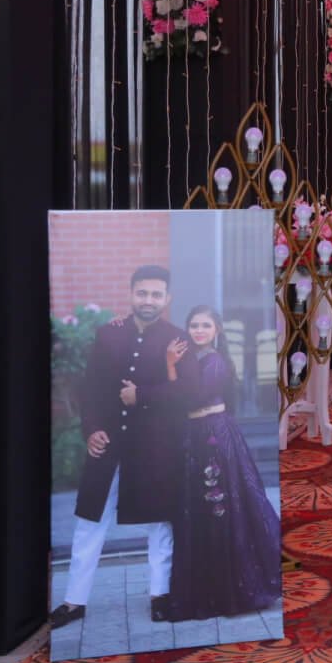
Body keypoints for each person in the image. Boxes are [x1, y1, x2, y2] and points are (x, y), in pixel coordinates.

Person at [51, 266, 185, 629]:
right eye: (142, 293)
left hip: (153, 447)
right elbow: (90, 389)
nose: (148, 300)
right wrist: (91, 429)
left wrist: (139, 397)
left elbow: (180, 396)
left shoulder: (177, 338)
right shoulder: (107, 335)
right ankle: (74, 602)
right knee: (88, 521)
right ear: (131, 294)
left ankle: (160, 596)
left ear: (167, 299)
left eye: (157, 294)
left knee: (160, 524)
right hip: (108, 443)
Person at [165, 306, 282, 621]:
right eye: (193, 325)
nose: (199, 330)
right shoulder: (193, 359)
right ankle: (209, 589)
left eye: (205, 325)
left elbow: (194, 398)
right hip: (196, 437)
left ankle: (235, 589)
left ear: (216, 330)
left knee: (222, 508)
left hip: (214, 438)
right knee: (201, 512)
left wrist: (170, 367)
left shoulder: (214, 360)